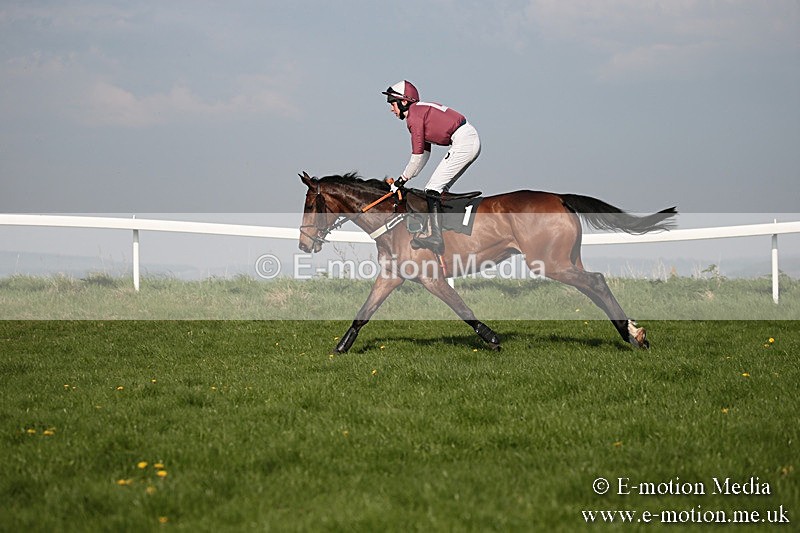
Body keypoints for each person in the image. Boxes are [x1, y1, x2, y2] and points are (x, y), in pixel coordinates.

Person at [382, 80, 480, 254]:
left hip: (464, 141)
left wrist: (401, 180)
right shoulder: (418, 112)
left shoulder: (414, 117)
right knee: (438, 189)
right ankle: (447, 228)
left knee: (432, 188)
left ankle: (436, 236)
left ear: (404, 102)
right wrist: (405, 178)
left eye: (392, 103)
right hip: (466, 138)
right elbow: (424, 155)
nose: (391, 109)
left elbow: (417, 155)